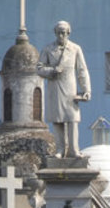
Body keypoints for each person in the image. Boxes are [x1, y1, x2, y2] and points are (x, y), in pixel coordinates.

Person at [36, 20, 91, 158]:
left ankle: (73, 150)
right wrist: (53, 71)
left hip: (70, 87)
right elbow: (39, 69)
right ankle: (60, 149)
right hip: (55, 87)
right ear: (55, 33)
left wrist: (86, 90)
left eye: (64, 33)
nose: (61, 36)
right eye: (59, 33)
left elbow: (82, 70)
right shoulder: (48, 49)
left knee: (72, 119)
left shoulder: (75, 49)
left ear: (68, 33)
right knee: (58, 119)